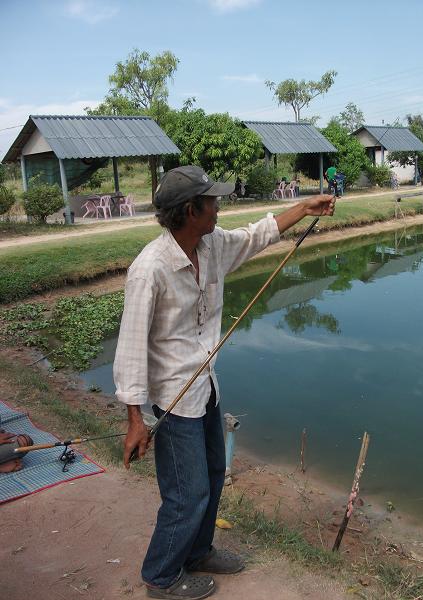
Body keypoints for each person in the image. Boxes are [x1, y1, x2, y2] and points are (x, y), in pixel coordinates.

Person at [113, 165, 335, 600]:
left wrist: (306, 207)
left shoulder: (210, 246)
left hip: (205, 387)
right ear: (191, 210)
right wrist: (134, 420)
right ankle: (160, 576)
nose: (220, 206)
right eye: (212, 201)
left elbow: (257, 234)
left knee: (213, 475)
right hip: (174, 401)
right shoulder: (149, 270)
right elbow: (131, 351)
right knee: (187, 491)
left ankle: (197, 552)